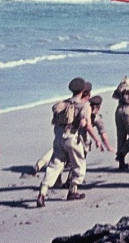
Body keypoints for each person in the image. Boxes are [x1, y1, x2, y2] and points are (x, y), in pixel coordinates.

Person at [36, 78, 103, 206]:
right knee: (79, 165)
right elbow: (85, 124)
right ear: (83, 90)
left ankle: (42, 192)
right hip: (72, 138)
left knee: (54, 165)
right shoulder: (84, 105)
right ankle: (73, 191)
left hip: (58, 138)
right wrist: (96, 140)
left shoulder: (63, 104)